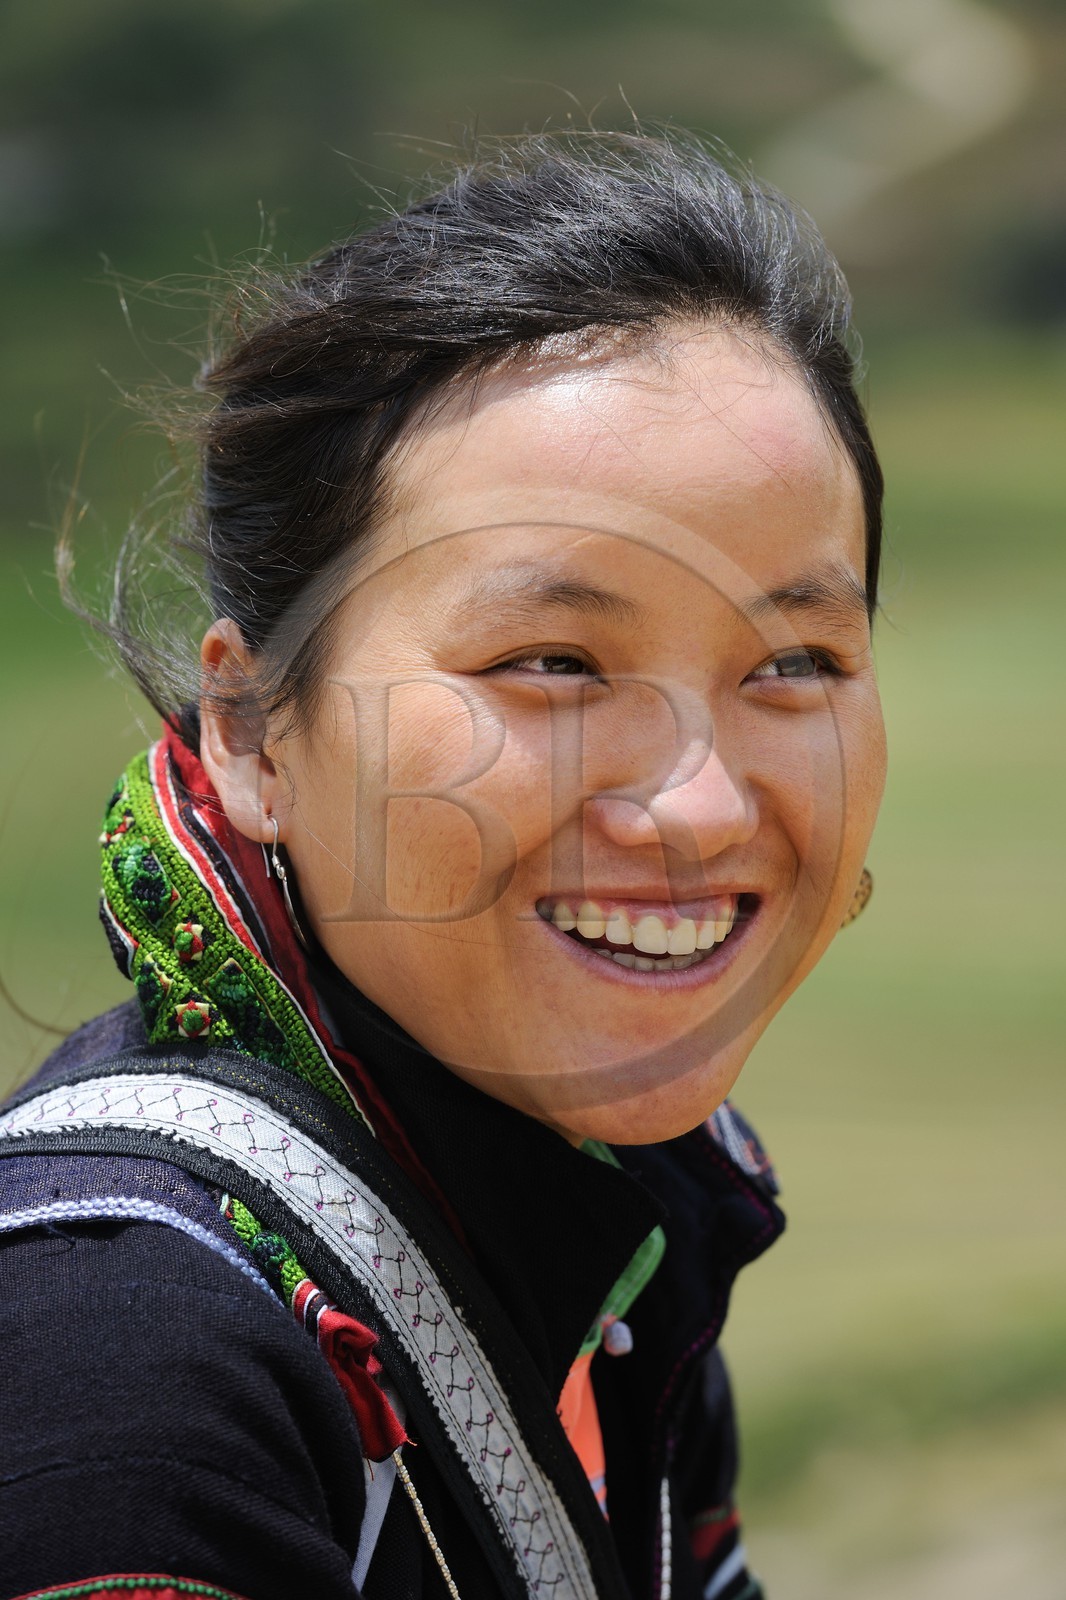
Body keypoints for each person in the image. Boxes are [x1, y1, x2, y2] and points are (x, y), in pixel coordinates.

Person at [0, 131, 886, 1600]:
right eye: (551, 663)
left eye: (793, 661)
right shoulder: (118, 1373)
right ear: (251, 729)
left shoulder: (623, 1224)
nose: (698, 807)